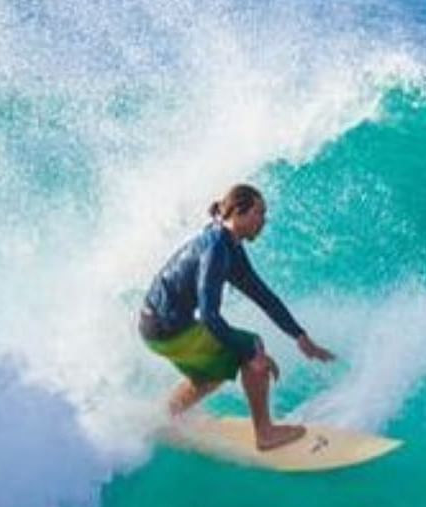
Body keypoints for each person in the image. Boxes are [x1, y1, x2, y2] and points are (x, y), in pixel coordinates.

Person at [139, 183, 336, 450]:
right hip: (167, 326)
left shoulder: (226, 243)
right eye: (259, 213)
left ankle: (168, 415)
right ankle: (265, 433)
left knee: (214, 372)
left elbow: (263, 295)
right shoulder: (217, 249)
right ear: (239, 213)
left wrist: (299, 336)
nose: (263, 221)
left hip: (155, 325)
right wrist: (252, 353)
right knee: (251, 345)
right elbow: (209, 315)